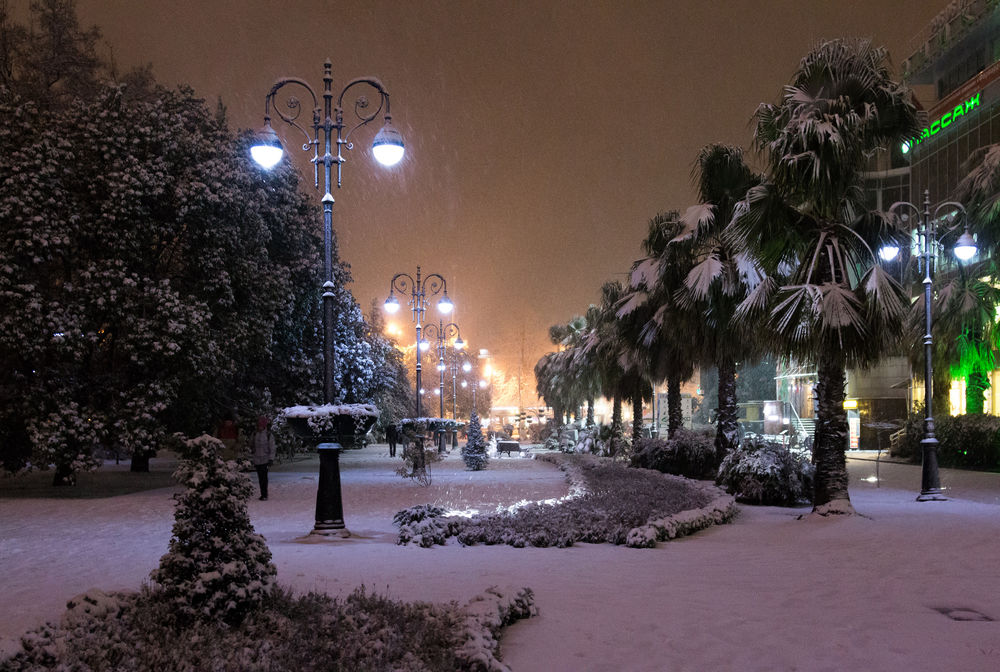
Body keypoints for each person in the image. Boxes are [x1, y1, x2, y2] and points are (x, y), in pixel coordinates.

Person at [250, 416, 276, 501]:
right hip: (257, 459)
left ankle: (264, 494)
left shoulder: (268, 435)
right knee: (260, 477)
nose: (260, 427)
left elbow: (272, 447)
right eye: (259, 425)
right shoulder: (254, 434)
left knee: (264, 478)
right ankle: (263, 494)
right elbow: (251, 445)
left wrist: (271, 459)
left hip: (265, 459)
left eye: (261, 426)